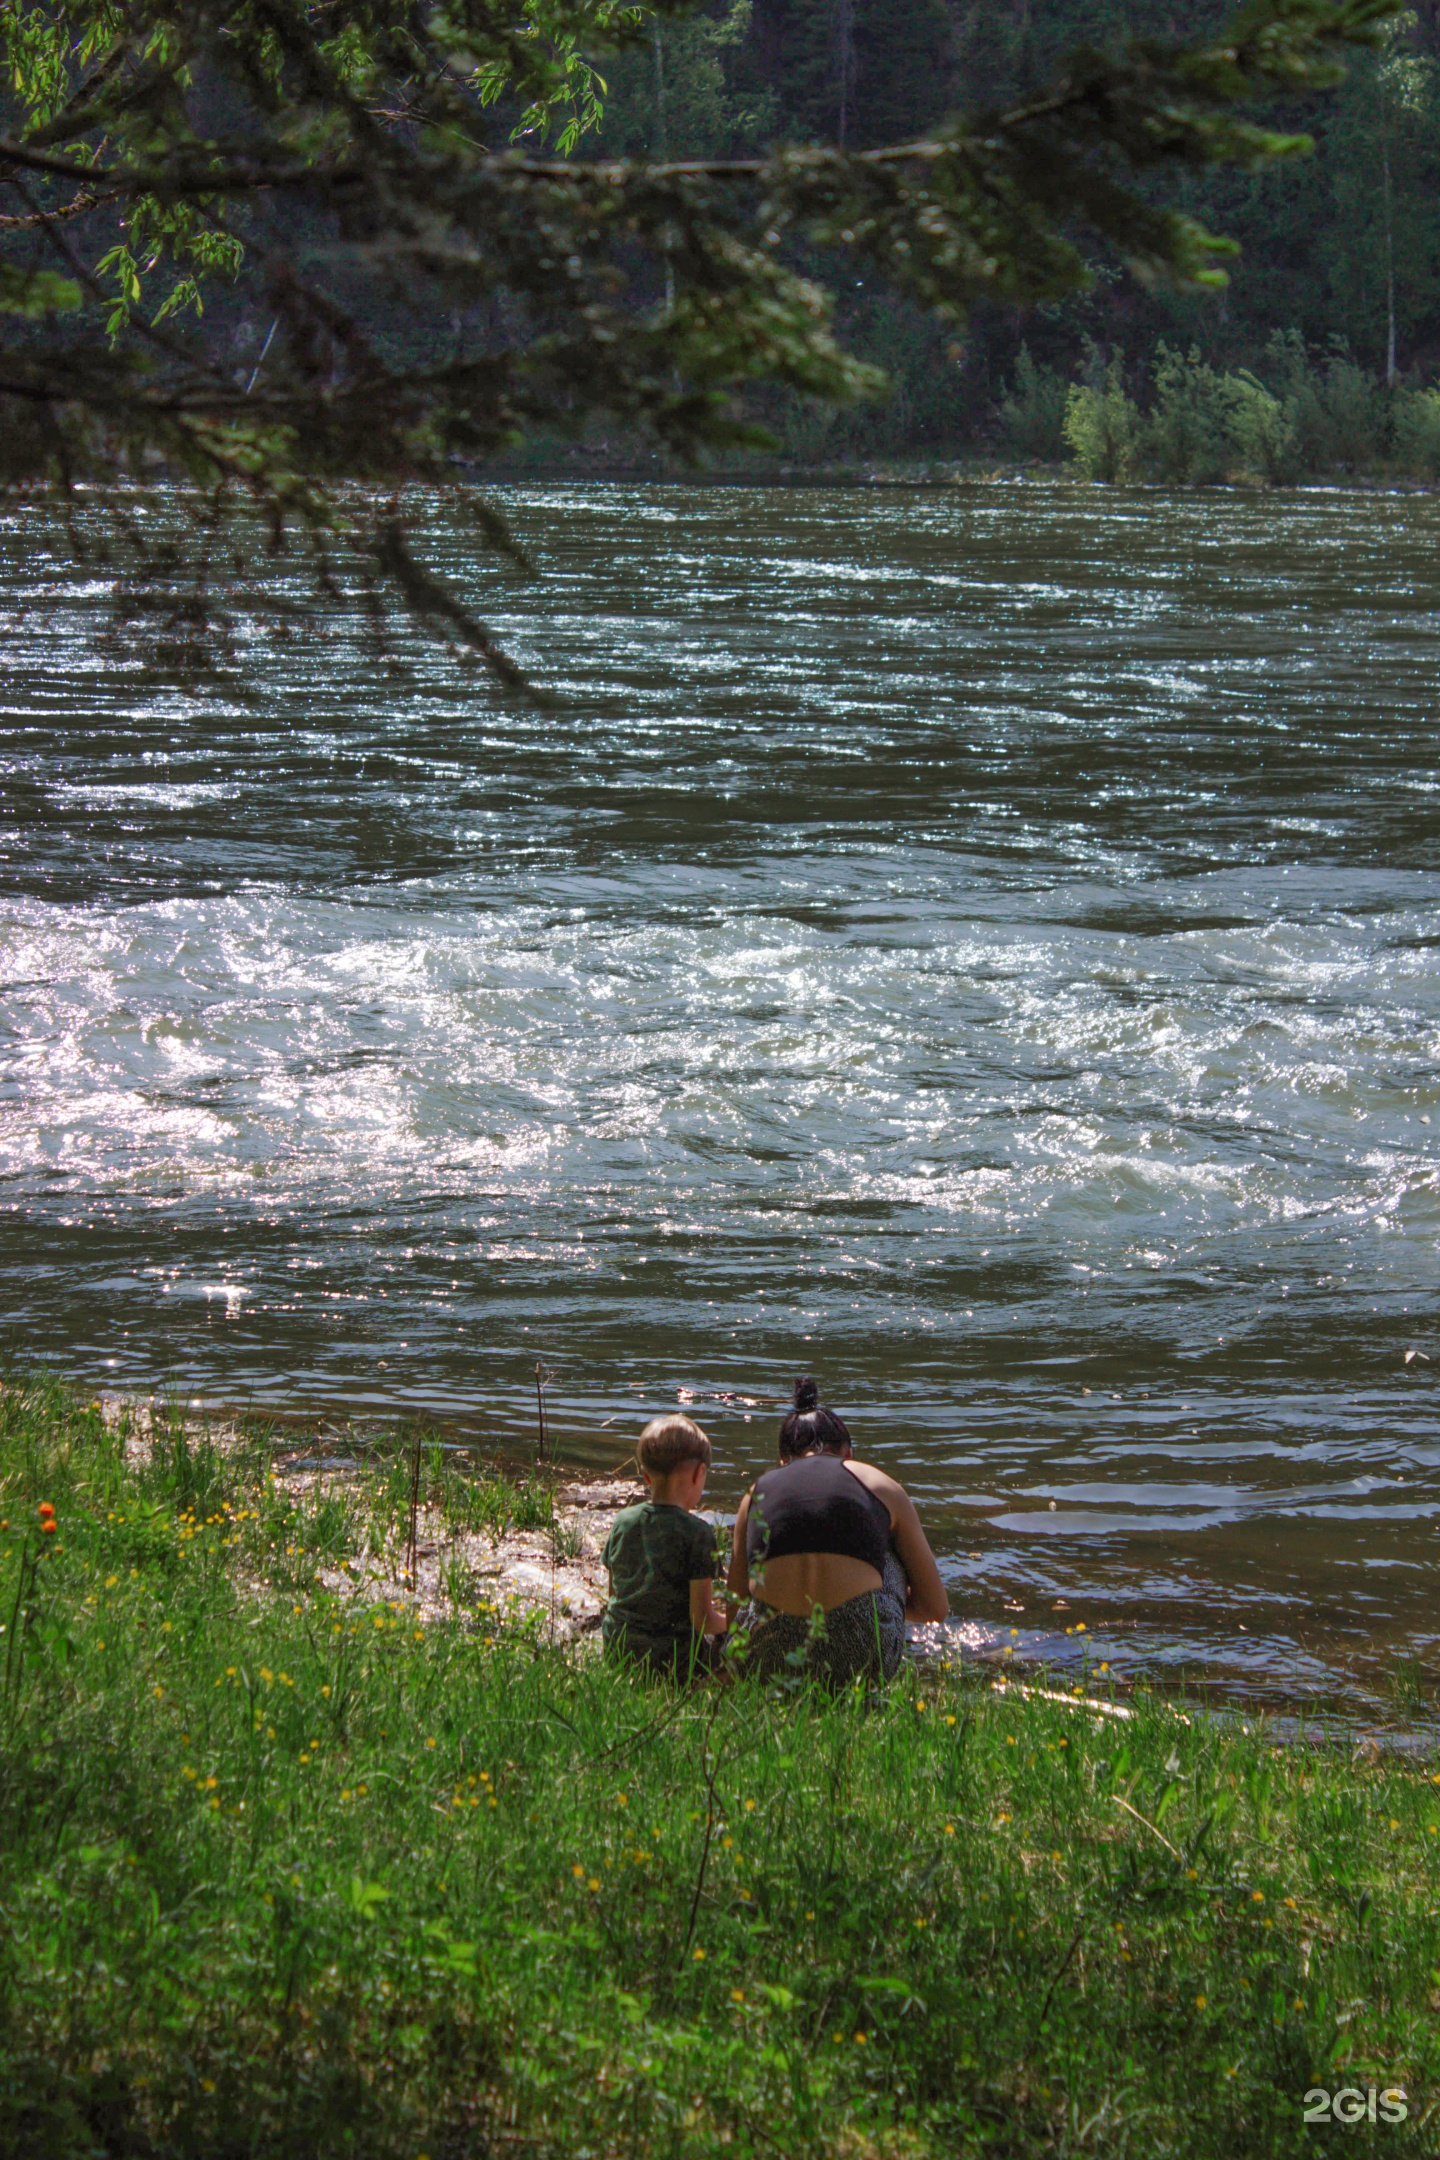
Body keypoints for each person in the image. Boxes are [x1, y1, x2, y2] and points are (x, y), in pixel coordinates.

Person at [726, 1378, 948, 1685]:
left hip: (767, 1664)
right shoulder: (880, 1484)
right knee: (887, 1557)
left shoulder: (755, 1494)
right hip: (861, 1661)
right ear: (848, 1454)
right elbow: (935, 1608)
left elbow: (735, 1607)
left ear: (783, 1460)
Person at [602, 1414, 728, 1678]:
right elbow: (702, 1619)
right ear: (699, 1473)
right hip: (672, 1661)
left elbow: (615, 1591)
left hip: (618, 1650)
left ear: (647, 1477)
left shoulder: (623, 1522)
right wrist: (735, 1623)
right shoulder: (699, 1534)